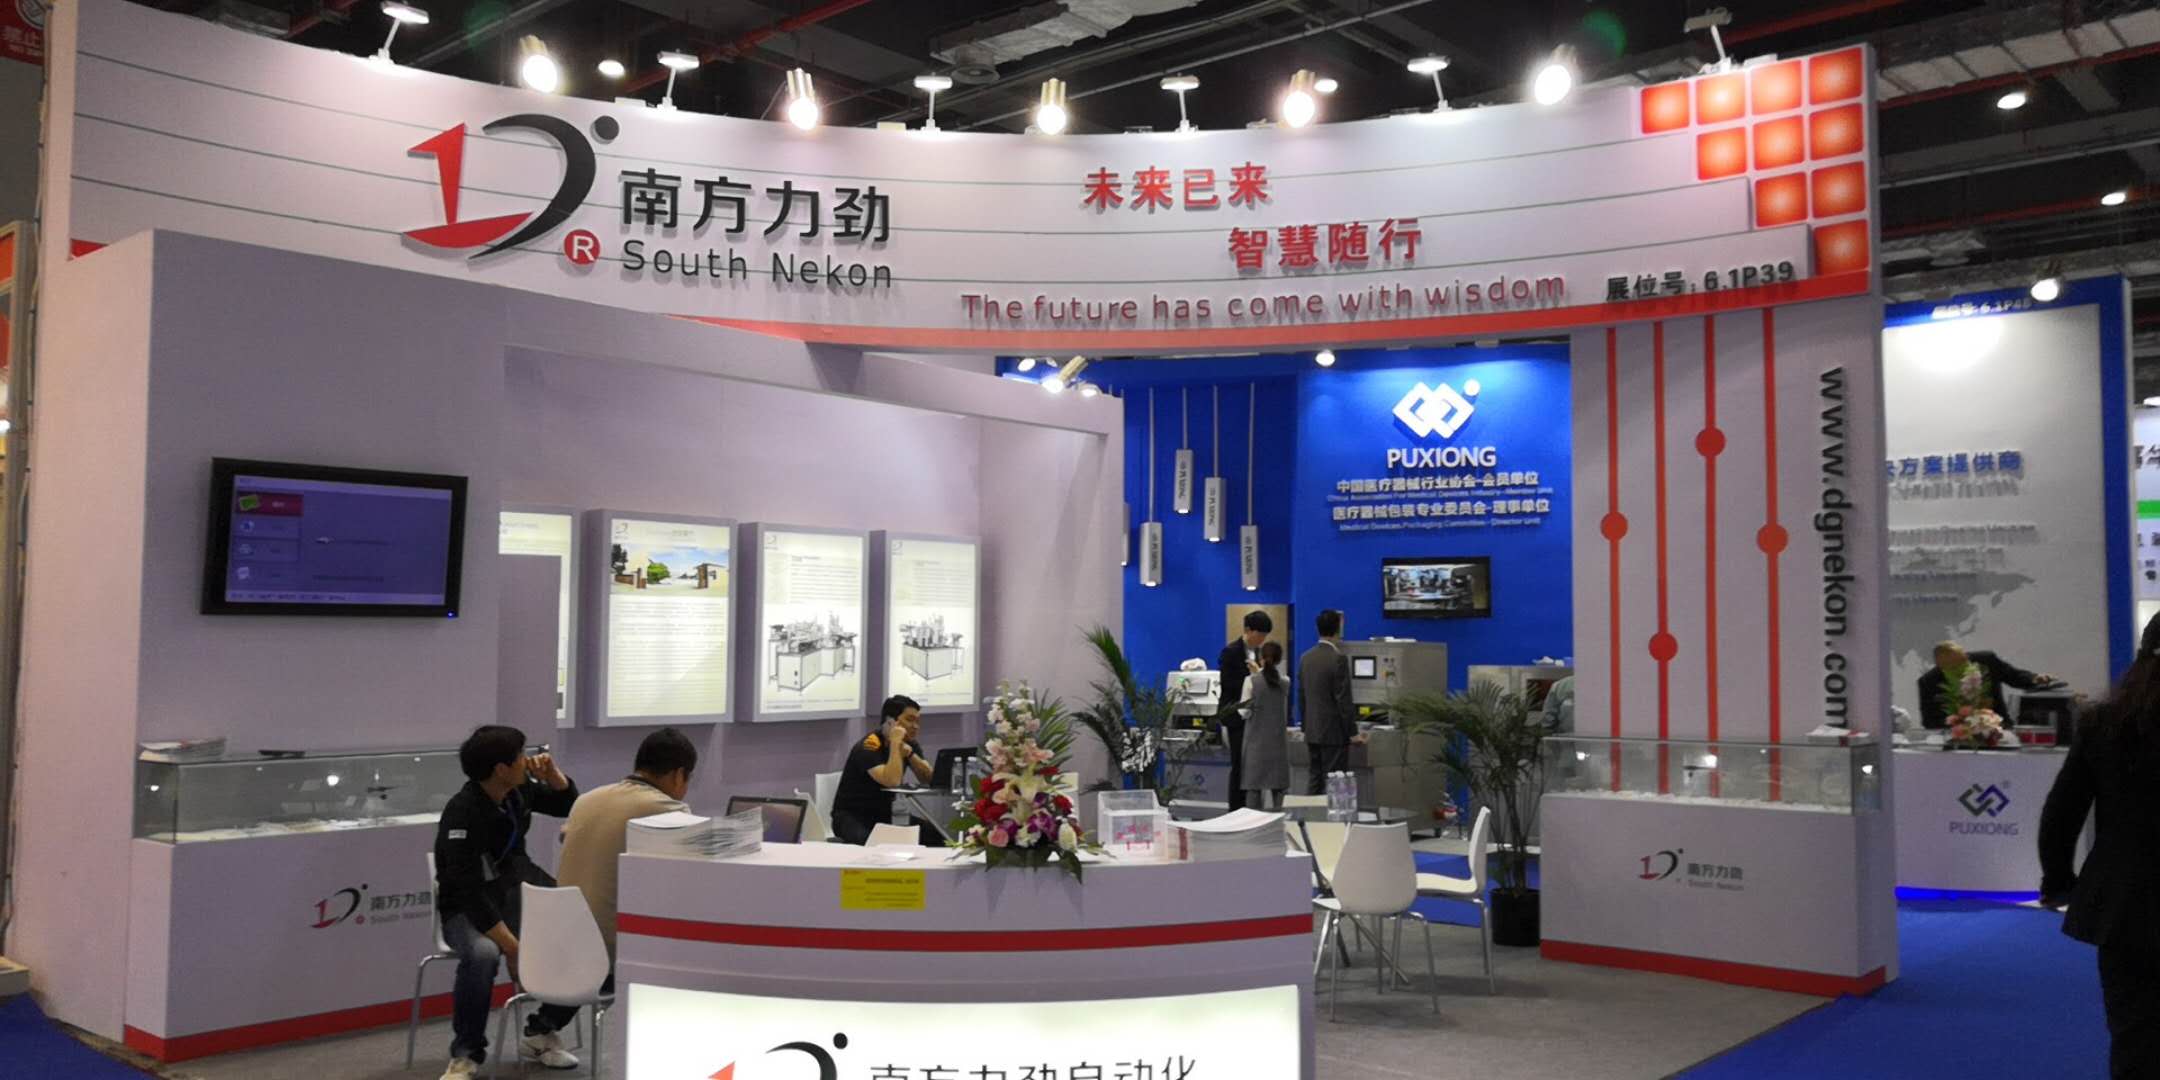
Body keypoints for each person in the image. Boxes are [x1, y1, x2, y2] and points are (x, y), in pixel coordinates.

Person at [2041, 612, 2160, 1078]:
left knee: (2135, 1034)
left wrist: (2059, 881)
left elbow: (2061, 813)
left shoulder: (2104, 722)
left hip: (2124, 906)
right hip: (2127, 902)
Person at [431, 726, 581, 1079]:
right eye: (520, 756)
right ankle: (466, 1054)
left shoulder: (518, 791)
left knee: (584, 929)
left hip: (514, 890)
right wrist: (512, 948)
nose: (527, 761)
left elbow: (567, 804)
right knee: (483, 953)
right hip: (466, 908)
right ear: (501, 769)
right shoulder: (462, 812)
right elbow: (468, 891)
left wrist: (554, 775)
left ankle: (541, 1031)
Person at [555, 727, 696, 963]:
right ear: (678, 775)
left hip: (562, 941)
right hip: (613, 951)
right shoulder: (668, 810)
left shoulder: (586, 799)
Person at [832, 695, 932, 844]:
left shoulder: (909, 744)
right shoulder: (869, 745)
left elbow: (929, 779)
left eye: (917, 721)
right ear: (890, 722)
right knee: (874, 843)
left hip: (886, 814)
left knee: (936, 836)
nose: (915, 726)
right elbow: (892, 781)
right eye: (910, 720)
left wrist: (911, 754)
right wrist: (895, 742)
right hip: (853, 816)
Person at [1918, 640, 2055, 729]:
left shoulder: (1987, 661)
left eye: (1963, 662)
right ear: (1940, 667)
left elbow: (2014, 676)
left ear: (1965, 655)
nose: (1961, 669)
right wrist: (1957, 722)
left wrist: (2034, 678)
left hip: (1999, 729)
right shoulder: (1928, 682)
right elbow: (1929, 721)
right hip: (1957, 738)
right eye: (1953, 668)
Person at [1298, 609, 1363, 795]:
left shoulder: (1305, 658)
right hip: (1334, 734)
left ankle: (1310, 813)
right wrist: (1353, 733)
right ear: (1338, 629)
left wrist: (1305, 727)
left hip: (1312, 731)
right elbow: (1343, 700)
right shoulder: (1338, 659)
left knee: (1315, 779)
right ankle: (1333, 816)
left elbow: (1302, 696)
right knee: (1335, 784)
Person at [1216, 610, 1274, 811]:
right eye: (1260, 634)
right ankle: (1235, 810)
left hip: (1254, 718)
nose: (1262, 639)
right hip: (1235, 717)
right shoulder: (1230, 652)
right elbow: (1228, 684)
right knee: (1239, 766)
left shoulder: (1259, 653)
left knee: (1253, 767)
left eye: (1265, 636)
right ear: (1248, 630)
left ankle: (1251, 809)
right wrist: (1251, 678)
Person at [1238, 640, 1291, 809]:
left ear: (1261, 658)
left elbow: (1244, 712)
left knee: (1253, 789)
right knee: (1279, 790)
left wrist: (1256, 673)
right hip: (1278, 744)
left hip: (1255, 744)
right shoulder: (1285, 682)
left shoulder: (1251, 681)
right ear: (1279, 659)